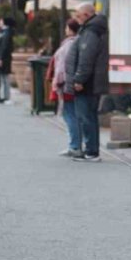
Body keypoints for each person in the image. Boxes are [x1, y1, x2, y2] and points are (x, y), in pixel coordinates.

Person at [66, 3, 109, 163]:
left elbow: (86, 57)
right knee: (89, 116)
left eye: (78, 15)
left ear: (87, 15)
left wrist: (79, 79)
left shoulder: (91, 31)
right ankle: (91, 150)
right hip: (92, 80)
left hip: (88, 81)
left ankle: (91, 151)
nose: (76, 19)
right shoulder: (94, 28)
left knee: (86, 117)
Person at [51, 19, 82, 158]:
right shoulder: (78, 42)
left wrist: (58, 81)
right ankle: (76, 145)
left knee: (70, 115)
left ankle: (74, 146)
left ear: (70, 29)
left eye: (66, 28)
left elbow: (62, 66)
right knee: (73, 115)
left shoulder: (69, 44)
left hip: (67, 84)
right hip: (72, 82)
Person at [0, 17, 15, 104]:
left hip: (5, 58)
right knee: (3, 77)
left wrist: (0, 58)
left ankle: (7, 97)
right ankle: (5, 96)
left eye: (1, 21)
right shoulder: (4, 32)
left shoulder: (6, 32)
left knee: (5, 77)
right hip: (4, 57)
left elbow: (4, 46)